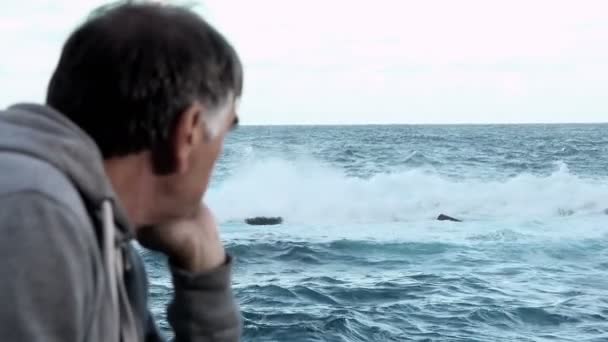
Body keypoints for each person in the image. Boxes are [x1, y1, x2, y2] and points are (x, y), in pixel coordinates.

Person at [0, 1, 243, 341]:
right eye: (226, 130)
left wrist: (204, 275)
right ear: (187, 133)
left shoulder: (106, 236)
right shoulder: (35, 214)